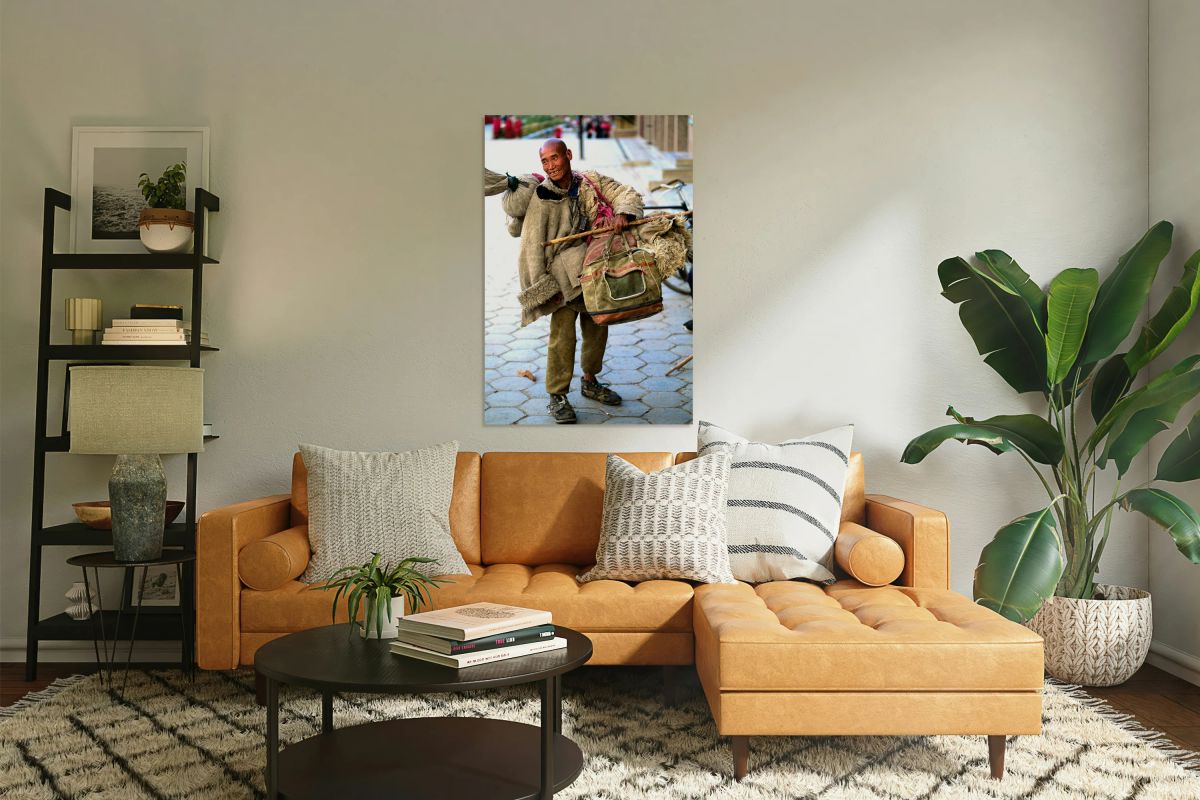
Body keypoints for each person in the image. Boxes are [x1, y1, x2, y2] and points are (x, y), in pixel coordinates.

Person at [500, 139, 644, 423]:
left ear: (568, 155)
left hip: (594, 271)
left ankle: (590, 381)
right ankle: (557, 395)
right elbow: (530, 247)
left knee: (598, 327)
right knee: (562, 337)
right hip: (561, 279)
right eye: (545, 162)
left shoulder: (590, 181)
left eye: (555, 158)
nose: (551, 166)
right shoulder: (542, 198)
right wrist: (541, 286)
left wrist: (622, 212)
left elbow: (623, 192)